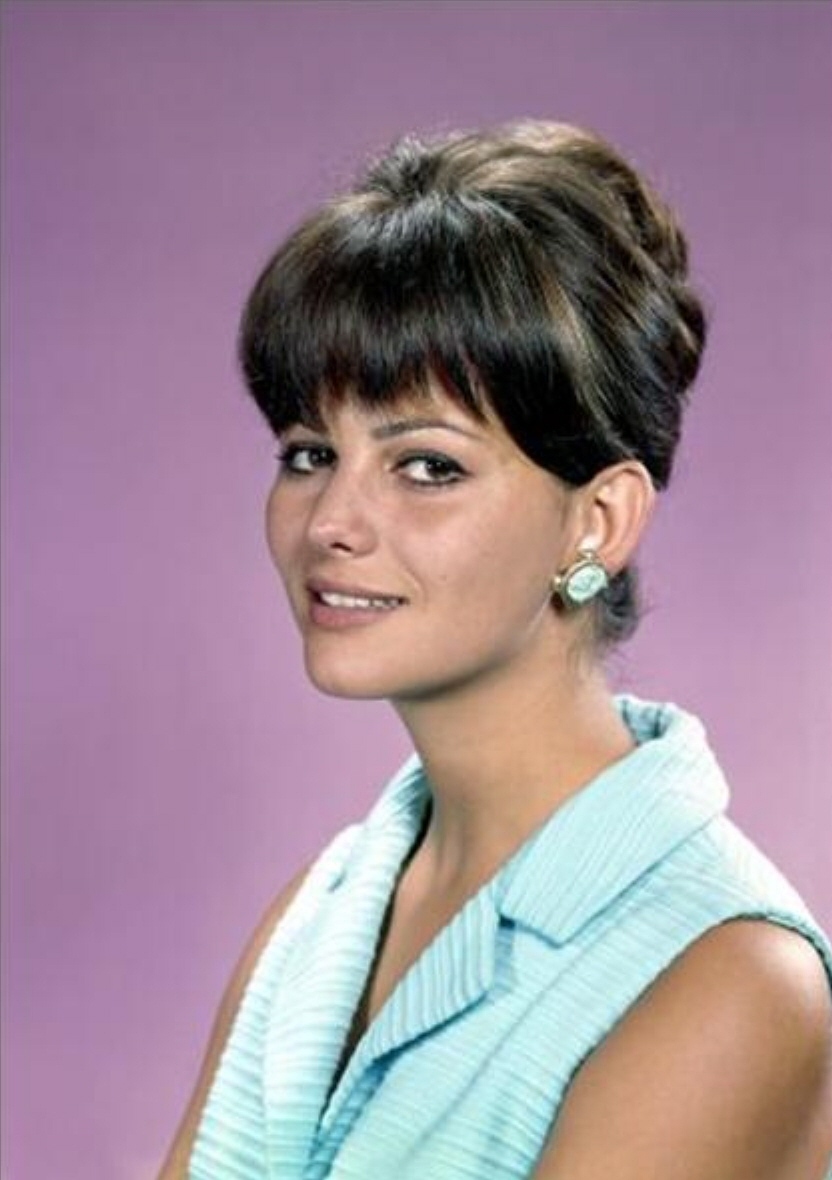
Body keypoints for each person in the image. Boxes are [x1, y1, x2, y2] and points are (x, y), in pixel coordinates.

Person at [159, 120, 832, 1179]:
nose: (330, 521)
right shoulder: (323, 915)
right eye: (309, 452)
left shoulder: (726, 975)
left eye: (426, 465)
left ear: (597, 521)